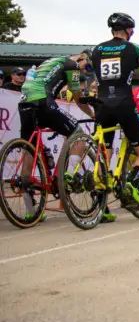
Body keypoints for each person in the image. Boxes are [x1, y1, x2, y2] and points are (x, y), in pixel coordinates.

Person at [90, 12, 139, 221]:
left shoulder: (97, 50)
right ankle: (131, 183)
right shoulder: (134, 49)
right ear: (128, 30)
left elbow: (96, 82)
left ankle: (101, 208)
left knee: (103, 153)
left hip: (102, 105)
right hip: (124, 103)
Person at [18, 50, 96, 222]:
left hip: (25, 102)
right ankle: (68, 175)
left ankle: (31, 211)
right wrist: (92, 115)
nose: (85, 72)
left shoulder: (51, 61)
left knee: (30, 149)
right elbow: (77, 97)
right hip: (43, 100)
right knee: (78, 133)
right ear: (82, 58)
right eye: (88, 67)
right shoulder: (73, 65)